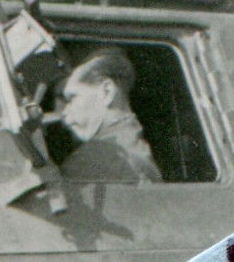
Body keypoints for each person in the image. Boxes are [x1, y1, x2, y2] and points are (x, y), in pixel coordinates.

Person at [54, 47, 163, 182]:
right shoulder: (136, 147)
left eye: (72, 98)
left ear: (107, 92)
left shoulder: (92, 159)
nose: (65, 111)